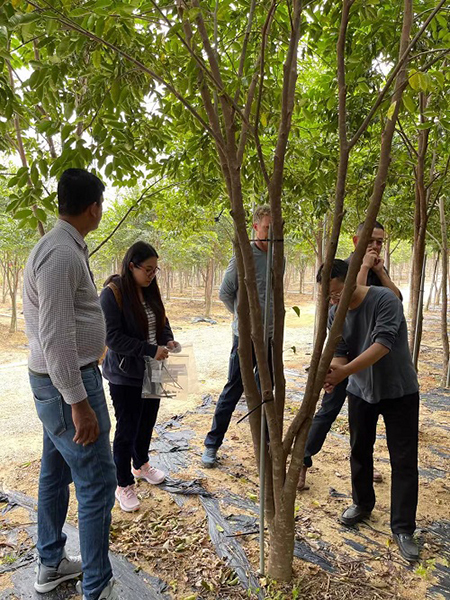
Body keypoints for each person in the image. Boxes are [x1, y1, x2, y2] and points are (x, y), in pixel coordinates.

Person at [23, 169, 118, 600]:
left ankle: (51, 563)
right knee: (97, 482)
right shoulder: (61, 254)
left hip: (61, 382)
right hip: (69, 384)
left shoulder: (62, 246)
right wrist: (78, 402)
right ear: (94, 208)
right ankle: (98, 586)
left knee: (55, 471)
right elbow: (55, 336)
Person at [319, 259, 420, 562]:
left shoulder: (385, 300)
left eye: (337, 294)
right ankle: (362, 504)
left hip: (399, 391)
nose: (333, 301)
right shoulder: (336, 313)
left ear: (352, 280)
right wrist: (332, 375)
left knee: (403, 459)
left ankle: (403, 528)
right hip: (361, 391)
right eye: (329, 296)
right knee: (359, 450)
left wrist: (344, 371)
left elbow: (382, 345)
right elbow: (340, 353)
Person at [298, 221, 401, 491]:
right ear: (357, 241)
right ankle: (301, 462)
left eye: (380, 241)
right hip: (346, 356)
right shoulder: (342, 270)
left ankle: (366, 466)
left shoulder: (379, 268)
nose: (376, 246)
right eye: (371, 241)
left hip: (372, 358)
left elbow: (396, 301)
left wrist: (380, 272)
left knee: (367, 418)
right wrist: (364, 267)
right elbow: (353, 302)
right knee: (328, 409)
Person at [100, 241, 179, 512]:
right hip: (126, 373)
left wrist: (167, 341)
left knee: (147, 421)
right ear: (131, 265)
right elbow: (112, 338)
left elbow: (162, 322)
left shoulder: (150, 289)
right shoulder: (112, 293)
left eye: (156, 270)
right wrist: (149, 349)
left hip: (154, 368)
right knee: (127, 428)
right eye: (148, 269)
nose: (152, 275)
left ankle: (141, 464)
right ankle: (123, 483)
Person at [201, 205, 273, 468]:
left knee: (268, 389)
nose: (272, 233)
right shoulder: (244, 257)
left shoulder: (278, 256)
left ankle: (267, 443)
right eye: (267, 228)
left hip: (270, 337)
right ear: (255, 227)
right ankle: (212, 444)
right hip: (245, 338)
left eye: (276, 228)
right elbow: (225, 292)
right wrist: (243, 320)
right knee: (235, 387)